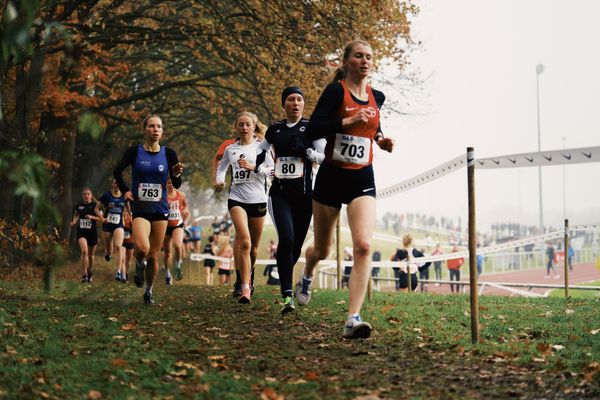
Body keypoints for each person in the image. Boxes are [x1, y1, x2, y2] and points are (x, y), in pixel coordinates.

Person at [296, 40, 395, 339]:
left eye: (369, 57)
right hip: (331, 177)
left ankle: (353, 317)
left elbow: (372, 126)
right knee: (323, 250)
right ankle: (308, 272)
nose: (365, 62)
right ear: (348, 61)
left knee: (363, 245)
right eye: (359, 57)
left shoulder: (377, 96)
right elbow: (313, 129)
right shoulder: (335, 91)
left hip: (362, 177)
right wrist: (347, 120)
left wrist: (381, 140)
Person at [254, 86, 325, 314]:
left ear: (304, 104)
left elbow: (324, 158)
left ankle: (288, 281)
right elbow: (261, 150)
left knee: (294, 248)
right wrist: (259, 164)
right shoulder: (274, 130)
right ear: (284, 104)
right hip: (279, 193)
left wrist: (307, 153)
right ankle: (286, 296)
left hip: (305, 196)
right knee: (286, 237)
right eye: (291, 100)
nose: (295, 103)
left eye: (299, 100)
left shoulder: (312, 129)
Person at [113, 114, 183, 304]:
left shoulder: (169, 154)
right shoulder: (134, 152)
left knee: (153, 256)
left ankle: (148, 291)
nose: (155, 130)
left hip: (160, 210)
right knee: (142, 249)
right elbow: (117, 171)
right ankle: (138, 263)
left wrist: (176, 174)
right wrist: (126, 191)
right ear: (144, 130)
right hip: (140, 209)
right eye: (151, 126)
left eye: (159, 127)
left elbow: (177, 184)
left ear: (162, 131)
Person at [215, 111, 272, 303]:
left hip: (258, 200)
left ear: (254, 126)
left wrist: (253, 167)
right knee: (244, 241)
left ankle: (247, 277)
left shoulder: (263, 148)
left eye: (248, 124)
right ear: (236, 127)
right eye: (241, 124)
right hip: (236, 198)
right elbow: (222, 167)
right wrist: (219, 181)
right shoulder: (231, 149)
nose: (244, 128)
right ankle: (244, 287)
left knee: (253, 248)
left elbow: (273, 171)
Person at [95, 179, 127, 281]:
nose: (117, 184)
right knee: (110, 249)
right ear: (112, 185)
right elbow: (96, 209)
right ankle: (107, 253)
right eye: (115, 183)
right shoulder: (107, 195)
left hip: (119, 225)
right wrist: (101, 218)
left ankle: (118, 272)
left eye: (118, 183)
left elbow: (129, 209)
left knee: (118, 246)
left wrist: (130, 216)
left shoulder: (125, 196)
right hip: (107, 225)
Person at [71, 187, 103, 283]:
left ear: (91, 195)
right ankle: (84, 274)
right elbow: (76, 214)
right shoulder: (79, 205)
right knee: (84, 251)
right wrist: (74, 221)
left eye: (88, 194)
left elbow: (101, 219)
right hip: (81, 233)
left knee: (91, 255)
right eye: (84, 194)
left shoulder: (96, 206)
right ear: (82, 196)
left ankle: (90, 271)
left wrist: (92, 217)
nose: (86, 196)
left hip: (92, 233)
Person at [163, 177, 190, 284]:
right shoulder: (162, 195)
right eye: (168, 183)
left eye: (172, 183)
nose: (170, 185)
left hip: (177, 224)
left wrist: (186, 215)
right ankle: (167, 274)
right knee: (167, 252)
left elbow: (186, 208)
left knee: (178, 245)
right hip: (165, 226)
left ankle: (177, 265)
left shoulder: (181, 195)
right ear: (165, 184)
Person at [121, 205, 134, 283]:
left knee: (128, 261)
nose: (124, 212)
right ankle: (123, 276)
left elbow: (134, 227)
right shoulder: (119, 218)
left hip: (130, 241)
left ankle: (126, 273)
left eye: (125, 210)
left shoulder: (130, 218)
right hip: (121, 242)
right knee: (122, 258)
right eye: (122, 210)